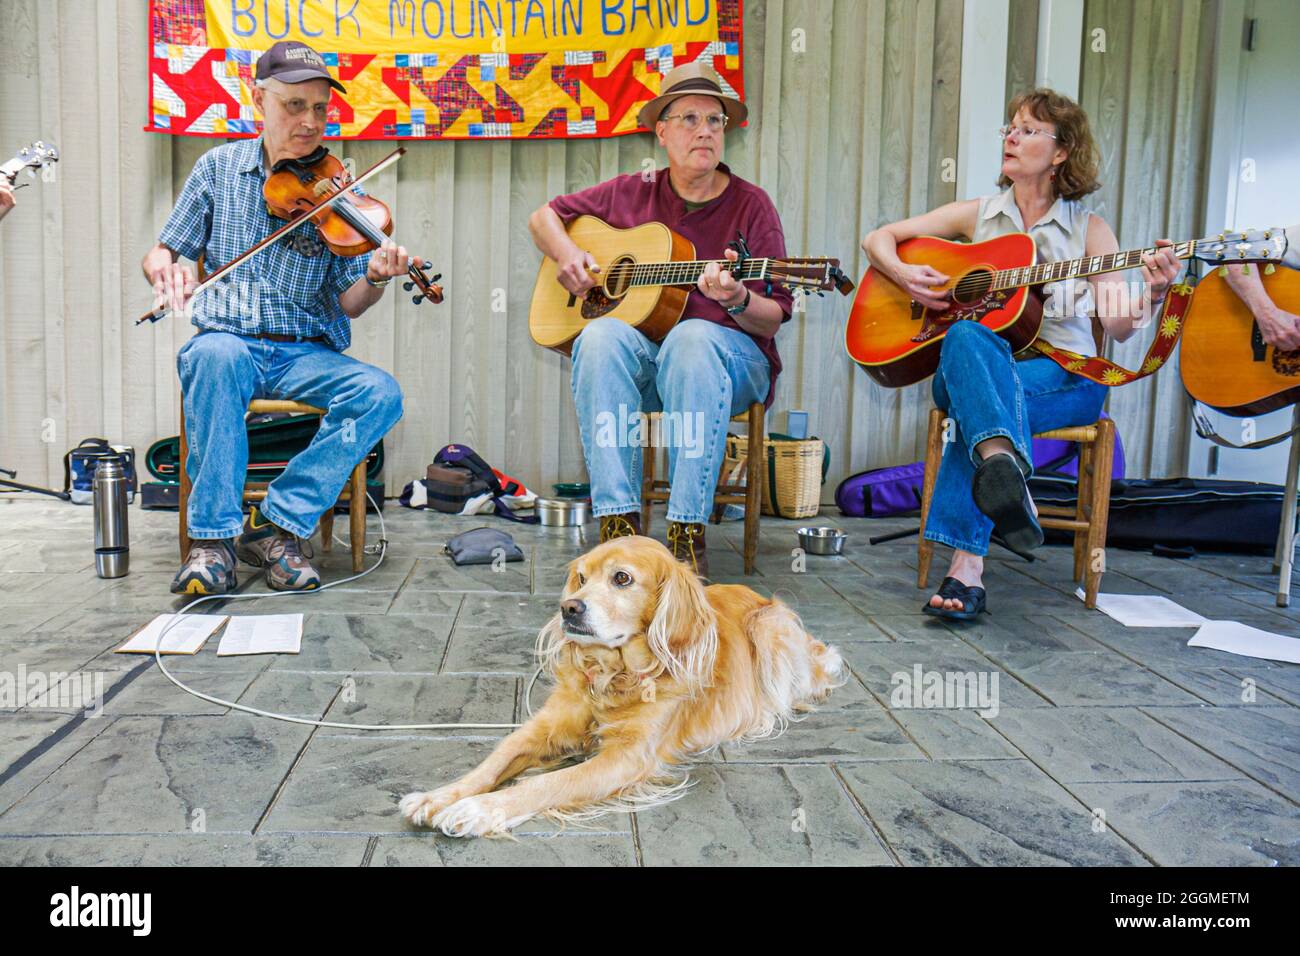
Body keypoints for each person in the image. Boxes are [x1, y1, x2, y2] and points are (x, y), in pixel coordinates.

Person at [862, 88, 1182, 620]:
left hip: (1065, 378)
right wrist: (905, 276)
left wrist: (1152, 292)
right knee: (966, 340)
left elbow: (1121, 328)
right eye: (1010, 126)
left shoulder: (1089, 230)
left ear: (1061, 153)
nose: (1012, 136)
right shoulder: (980, 216)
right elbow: (880, 238)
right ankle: (1005, 473)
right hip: (974, 368)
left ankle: (968, 564)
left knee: (977, 417)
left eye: (1029, 129)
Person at [142, 40, 416, 595]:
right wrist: (164, 272)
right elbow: (164, 251)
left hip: (305, 354)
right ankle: (213, 542)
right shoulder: (216, 169)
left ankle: (276, 524)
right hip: (229, 342)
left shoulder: (340, 190)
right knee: (214, 355)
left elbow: (349, 303)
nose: (310, 122)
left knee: (381, 393)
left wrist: (378, 277)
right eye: (295, 106)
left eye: (320, 109)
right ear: (258, 99)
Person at [527, 62, 794, 577]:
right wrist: (568, 256)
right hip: (652, 369)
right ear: (662, 131)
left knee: (693, 337)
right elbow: (545, 218)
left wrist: (737, 298)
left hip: (730, 370)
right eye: (690, 118)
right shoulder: (633, 190)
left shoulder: (752, 206)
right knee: (601, 335)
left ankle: (685, 533)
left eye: (715, 121)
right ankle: (620, 531)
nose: (705, 131)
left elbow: (772, 318)